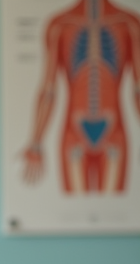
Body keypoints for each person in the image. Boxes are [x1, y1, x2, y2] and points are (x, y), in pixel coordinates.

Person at [22, 0, 140, 194]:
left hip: (113, 134)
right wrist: (35, 143)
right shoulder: (60, 25)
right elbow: (49, 89)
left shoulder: (129, 23)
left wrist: (36, 143)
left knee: (114, 213)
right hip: (75, 134)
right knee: (73, 211)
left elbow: (138, 88)